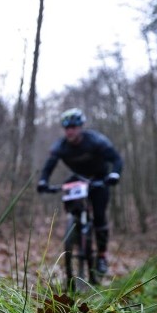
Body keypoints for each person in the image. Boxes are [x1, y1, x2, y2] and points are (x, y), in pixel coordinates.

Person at [37, 108, 123, 276]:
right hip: (78, 179)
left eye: (74, 127)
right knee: (72, 206)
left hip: (100, 178)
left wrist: (114, 174)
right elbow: (49, 166)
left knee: (99, 216)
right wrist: (43, 181)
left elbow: (117, 159)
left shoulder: (96, 141)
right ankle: (75, 232)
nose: (70, 131)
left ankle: (102, 256)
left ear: (80, 127)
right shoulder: (60, 147)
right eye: (67, 128)